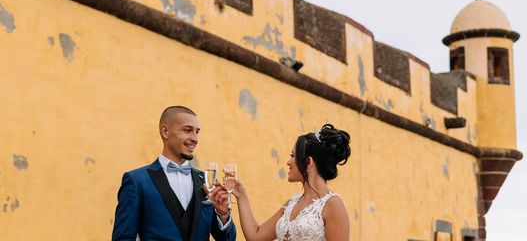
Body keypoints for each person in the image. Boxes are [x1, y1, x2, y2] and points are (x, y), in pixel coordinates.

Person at [112, 106, 237, 241]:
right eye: (187, 130)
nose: (194, 138)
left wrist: (222, 214)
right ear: (165, 132)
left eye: (197, 132)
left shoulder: (206, 182)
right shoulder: (137, 181)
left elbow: (227, 239)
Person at [228, 124, 351, 241]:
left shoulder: (333, 204)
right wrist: (241, 196)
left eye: (293, 155)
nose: (288, 162)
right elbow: (255, 236)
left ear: (308, 162)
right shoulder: (291, 204)